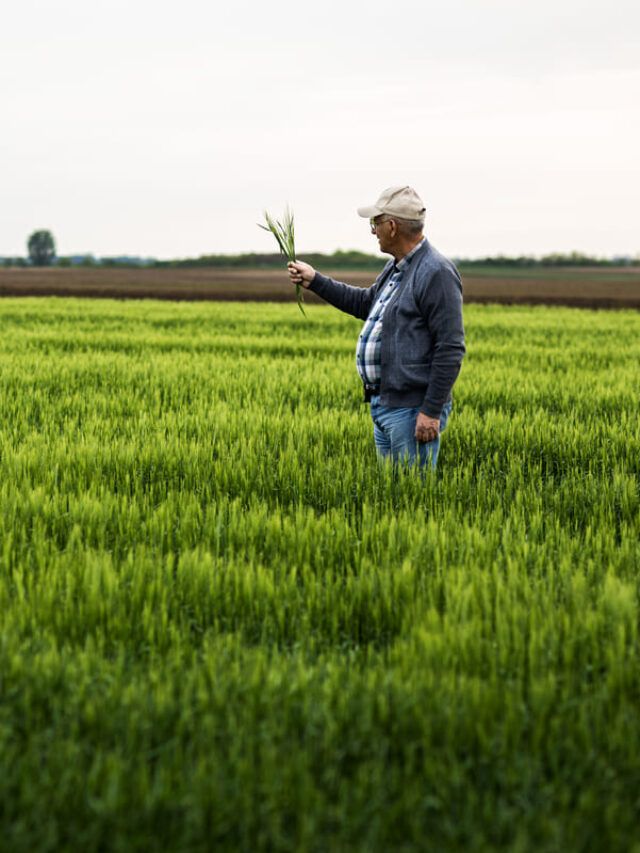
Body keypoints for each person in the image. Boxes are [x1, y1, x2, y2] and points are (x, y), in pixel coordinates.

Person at [288, 185, 466, 470]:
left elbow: (451, 348)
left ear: (392, 226)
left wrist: (431, 411)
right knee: (390, 498)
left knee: (410, 498)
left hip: (411, 411)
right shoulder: (396, 268)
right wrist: (315, 280)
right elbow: (365, 303)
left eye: (376, 223)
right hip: (385, 405)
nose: (373, 231)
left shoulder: (436, 272)